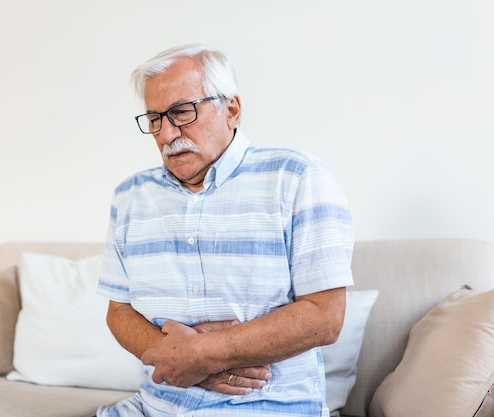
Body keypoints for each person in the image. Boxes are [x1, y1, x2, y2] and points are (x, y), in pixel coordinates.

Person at [96, 44, 354, 417]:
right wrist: (185, 363)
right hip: (152, 407)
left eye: (181, 112)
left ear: (231, 109)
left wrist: (204, 355)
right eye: (154, 119)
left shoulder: (297, 177)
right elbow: (118, 310)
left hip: (268, 409)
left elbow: (325, 317)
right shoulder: (130, 196)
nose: (167, 134)